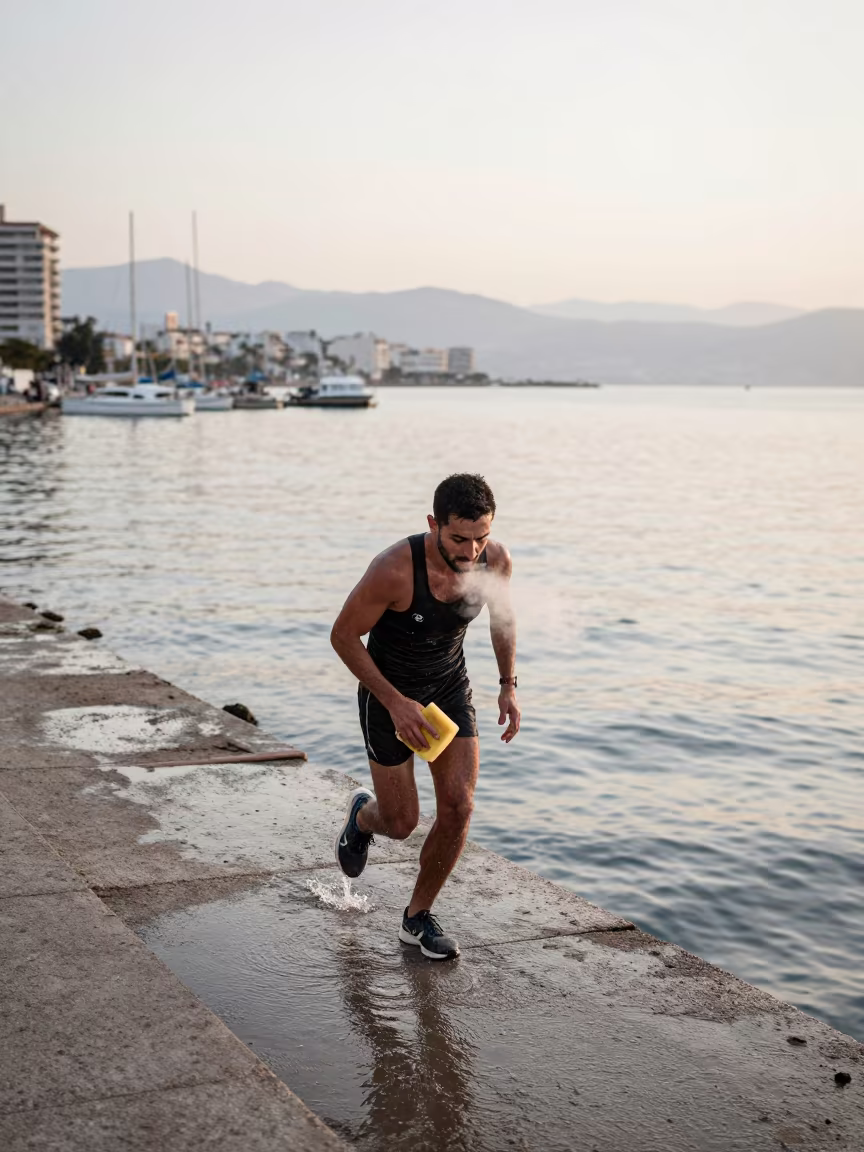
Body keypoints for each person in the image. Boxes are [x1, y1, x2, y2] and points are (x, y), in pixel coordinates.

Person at [330, 473, 520, 960]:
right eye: (459, 538)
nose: (472, 550)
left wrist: (507, 686)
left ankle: (417, 918)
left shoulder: (494, 560)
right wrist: (395, 702)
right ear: (434, 524)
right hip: (387, 694)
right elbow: (344, 637)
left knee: (459, 807)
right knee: (401, 822)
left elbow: (502, 618)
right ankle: (362, 817)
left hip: (448, 688)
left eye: (481, 537)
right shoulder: (394, 569)